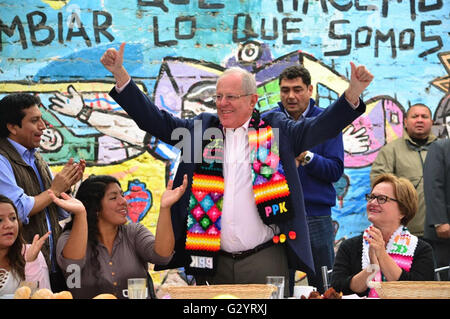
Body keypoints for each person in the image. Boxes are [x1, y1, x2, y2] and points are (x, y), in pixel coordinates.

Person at [100, 42, 373, 296]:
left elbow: (319, 127)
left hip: (265, 259)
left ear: (252, 100)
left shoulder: (276, 130)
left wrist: (352, 94)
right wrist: (121, 75)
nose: (222, 103)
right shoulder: (201, 130)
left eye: (231, 97)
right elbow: (156, 122)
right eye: (218, 97)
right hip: (211, 260)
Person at [52, 173, 188, 299]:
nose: (123, 201)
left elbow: (162, 256)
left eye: (122, 195)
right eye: (113, 197)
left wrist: (165, 208)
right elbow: (72, 265)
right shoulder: (69, 238)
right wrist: (81, 214)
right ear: (95, 207)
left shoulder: (134, 232)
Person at [0, 93, 85, 292]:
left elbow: (55, 210)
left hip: (52, 265)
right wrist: (55, 189)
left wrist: (67, 187)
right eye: (34, 120)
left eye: (42, 119)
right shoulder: (2, 160)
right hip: (23, 269)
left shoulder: (37, 158)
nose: (43, 127)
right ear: (12, 127)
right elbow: (18, 210)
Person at [273, 65, 343, 294]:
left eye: (297, 89)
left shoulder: (326, 121)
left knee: (324, 287)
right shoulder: (269, 121)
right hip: (277, 214)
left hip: (316, 216)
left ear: (310, 90)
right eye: (285, 90)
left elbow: (335, 170)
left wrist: (306, 156)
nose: (290, 96)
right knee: (279, 287)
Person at [331, 173, 435, 297]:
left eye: (382, 199)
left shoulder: (421, 249)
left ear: (403, 210)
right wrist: (372, 269)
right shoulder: (349, 246)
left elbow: (418, 292)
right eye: (371, 197)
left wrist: (382, 254)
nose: (373, 202)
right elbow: (338, 289)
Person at [370, 104, 437, 237]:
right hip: (405, 232)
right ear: (405, 122)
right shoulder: (391, 151)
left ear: (431, 122)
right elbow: (379, 185)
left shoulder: (443, 150)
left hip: (441, 231)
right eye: (414, 116)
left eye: (424, 117)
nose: (419, 120)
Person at [0, 194, 51, 296]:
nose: (9, 225)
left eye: (13, 218)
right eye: (0, 220)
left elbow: (42, 296)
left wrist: (31, 262)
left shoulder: (29, 252)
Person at [423, 138, 450, 281]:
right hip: (445, 232)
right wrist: (440, 222)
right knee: (444, 280)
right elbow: (433, 185)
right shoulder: (440, 147)